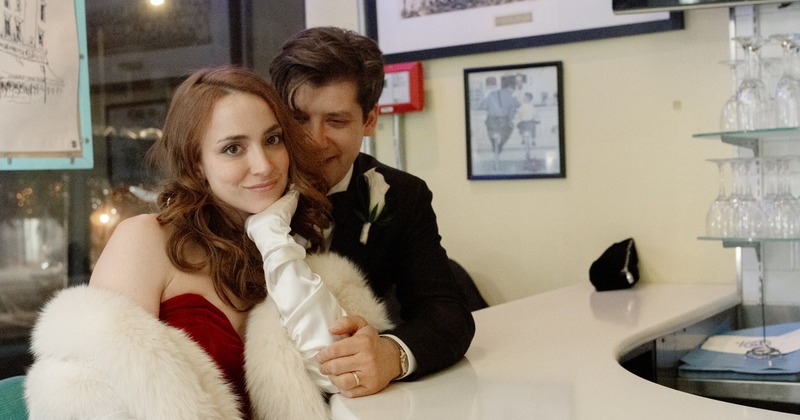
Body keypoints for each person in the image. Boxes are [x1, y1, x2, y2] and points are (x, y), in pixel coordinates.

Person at [24, 65, 392, 419]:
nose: (264, 165)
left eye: (272, 140)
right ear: (196, 162)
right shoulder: (145, 240)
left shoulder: (287, 251)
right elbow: (91, 399)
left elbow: (334, 376)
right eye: (233, 148)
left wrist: (273, 240)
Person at [270, 26, 476, 398]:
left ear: (369, 120)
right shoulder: (246, 190)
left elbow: (447, 313)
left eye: (336, 121)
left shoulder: (402, 196)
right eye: (298, 120)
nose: (314, 142)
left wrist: (392, 354)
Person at [479, 77, 520, 166]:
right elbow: (513, 110)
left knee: (491, 131)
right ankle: (500, 145)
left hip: (491, 120)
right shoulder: (510, 97)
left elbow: (483, 106)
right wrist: (509, 120)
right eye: (513, 89)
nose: (513, 91)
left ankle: (494, 144)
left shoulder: (492, 94)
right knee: (510, 128)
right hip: (503, 121)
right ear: (509, 87)